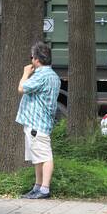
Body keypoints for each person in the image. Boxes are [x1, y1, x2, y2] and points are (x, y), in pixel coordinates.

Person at [17, 42, 61, 199]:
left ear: (36, 59)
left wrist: (25, 73)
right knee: (37, 157)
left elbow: (22, 88)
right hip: (39, 122)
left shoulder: (41, 75)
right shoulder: (53, 75)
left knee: (45, 156)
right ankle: (37, 186)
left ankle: (44, 189)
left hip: (37, 123)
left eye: (32, 57)